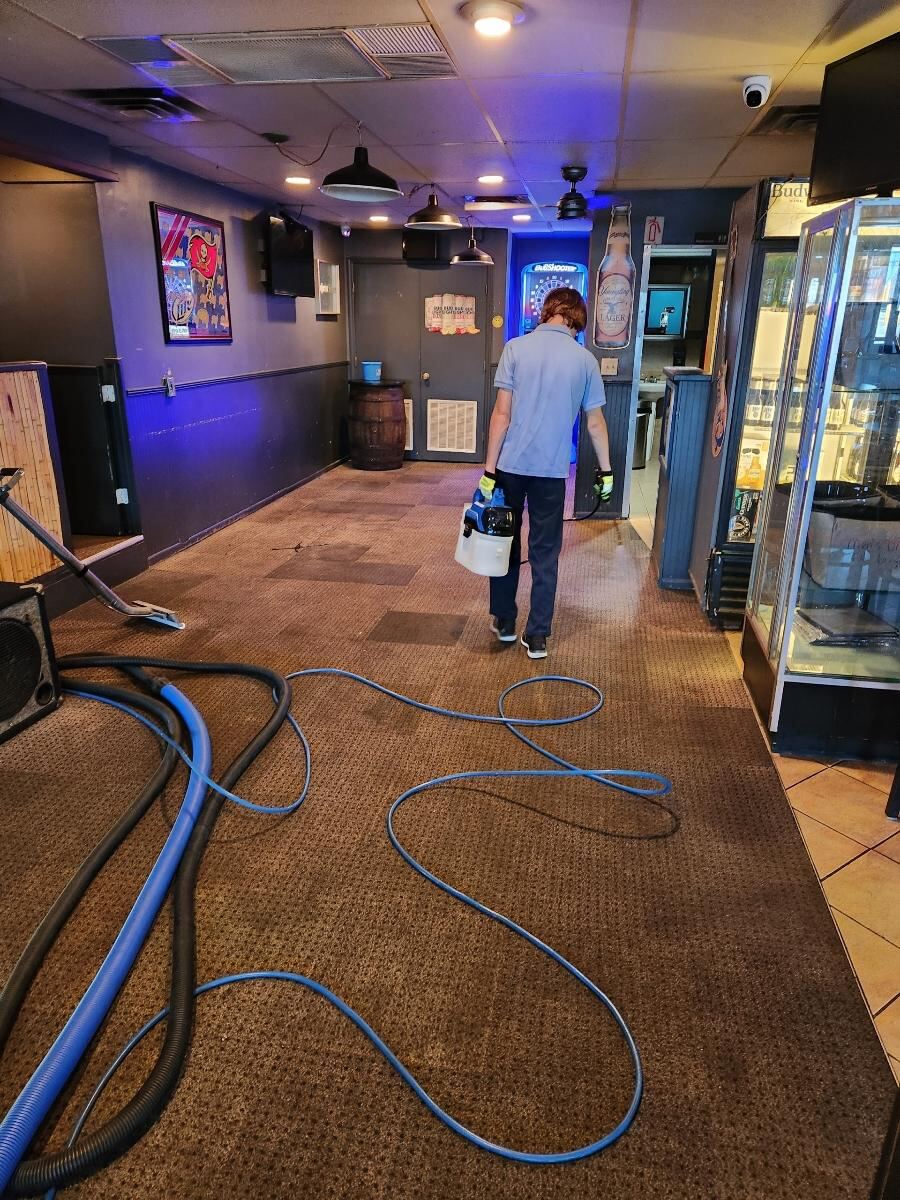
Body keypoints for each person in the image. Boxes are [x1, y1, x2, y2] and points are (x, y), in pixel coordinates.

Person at [478, 287, 613, 659]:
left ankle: (504, 621)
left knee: (504, 543)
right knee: (545, 552)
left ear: (548, 311)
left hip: (510, 468)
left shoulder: (515, 349)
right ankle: (537, 635)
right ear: (577, 318)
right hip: (551, 473)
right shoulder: (584, 360)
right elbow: (595, 423)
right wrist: (607, 470)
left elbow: (501, 415)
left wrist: (489, 470)